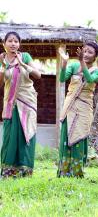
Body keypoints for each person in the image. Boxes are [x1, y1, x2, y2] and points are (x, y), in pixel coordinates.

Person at [57, 42, 98, 177]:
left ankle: (77, 172)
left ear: (95, 56)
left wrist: (82, 62)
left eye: (90, 52)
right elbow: (62, 79)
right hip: (70, 105)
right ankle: (65, 171)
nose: (87, 54)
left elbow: (89, 80)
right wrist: (64, 63)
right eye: (85, 51)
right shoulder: (73, 65)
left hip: (84, 107)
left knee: (79, 135)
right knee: (66, 135)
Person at [0, 31, 41, 178]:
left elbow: (38, 75)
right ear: (4, 44)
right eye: (10, 41)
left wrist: (23, 65)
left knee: (26, 134)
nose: (13, 44)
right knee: (9, 136)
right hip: (10, 103)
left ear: (19, 44)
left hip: (27, 100)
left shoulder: (25, 56)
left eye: (16, 41)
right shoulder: (2, 59)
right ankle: (8, 170)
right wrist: (3, 69)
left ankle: (25, 171)